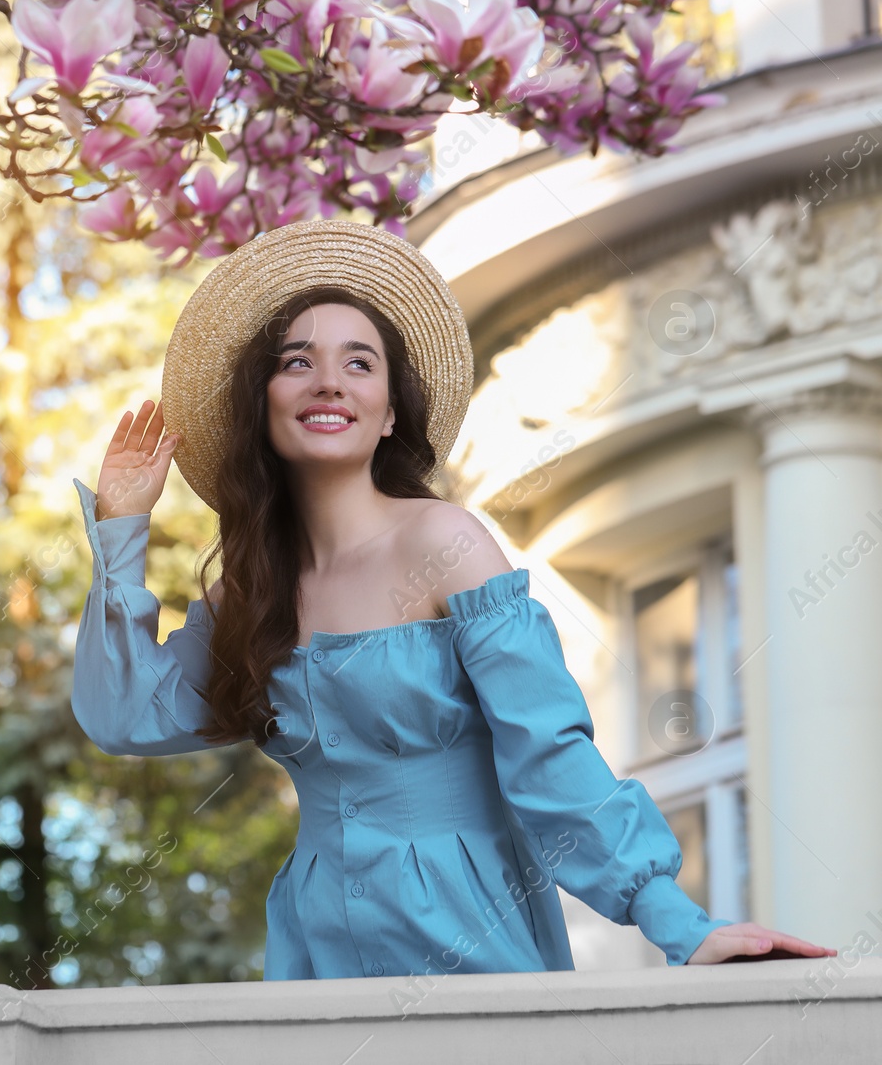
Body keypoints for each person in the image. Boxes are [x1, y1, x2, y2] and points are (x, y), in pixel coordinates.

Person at [69, 218, 833, 980]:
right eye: (295, 362)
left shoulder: (447, 544)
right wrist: (123, 527)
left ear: (391, 409)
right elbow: (127, 714)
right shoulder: (252, 586)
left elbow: (548, 751)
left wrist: (678, 921)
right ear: (262, 404)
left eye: (358, 363)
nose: (327, 381)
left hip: (470, 924)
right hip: (315, 942)